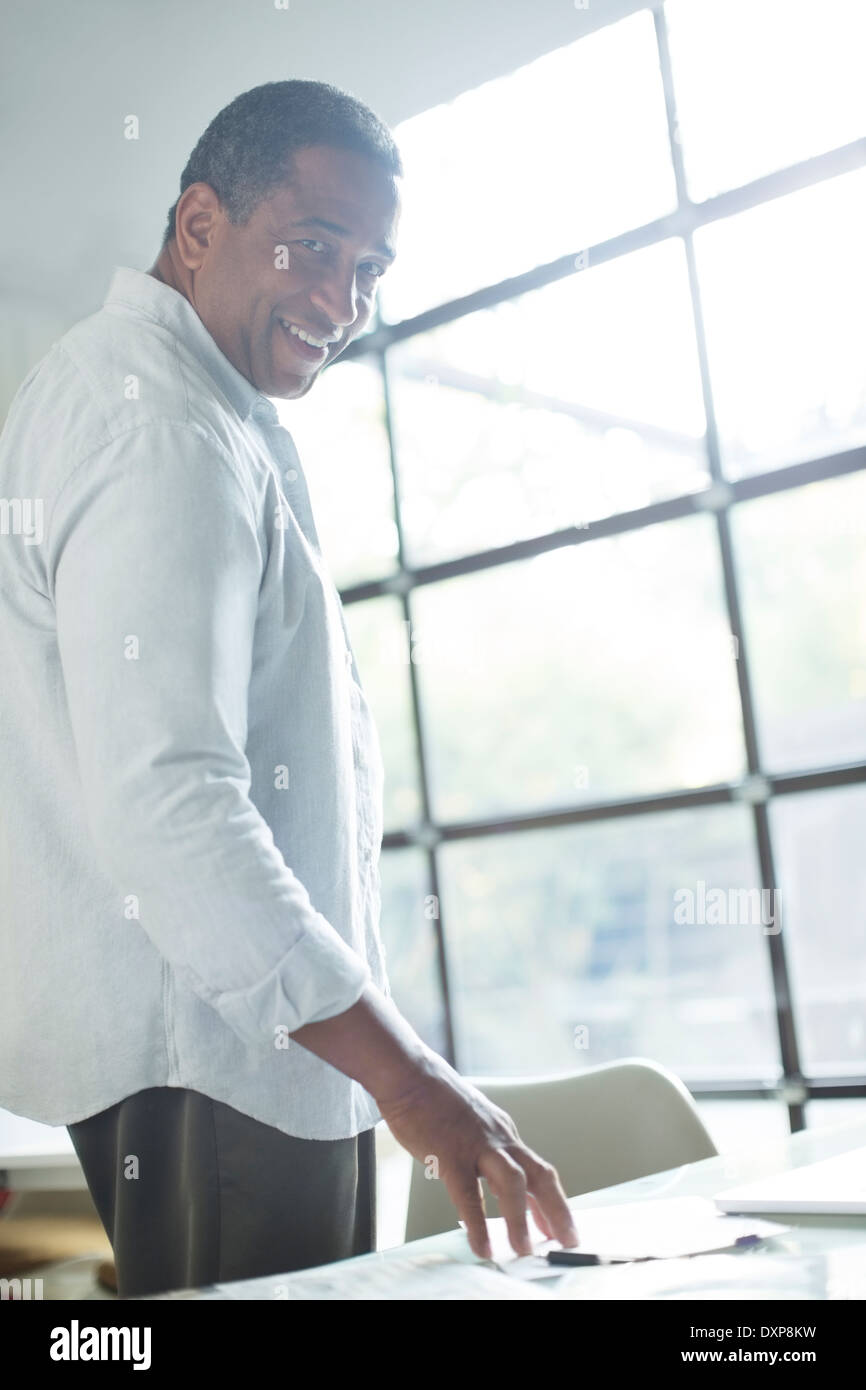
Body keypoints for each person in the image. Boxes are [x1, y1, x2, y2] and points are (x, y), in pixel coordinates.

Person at [0, 79, 578, 1298]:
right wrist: (410, 1077)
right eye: (310, 248)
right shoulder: (159, 425)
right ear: (199, 226)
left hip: (228, 1052)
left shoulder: (162, 399)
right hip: (219, 1060)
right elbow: (174, 808)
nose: (340, 301)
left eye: (369, 267)